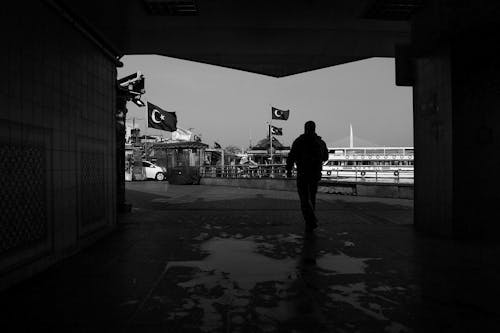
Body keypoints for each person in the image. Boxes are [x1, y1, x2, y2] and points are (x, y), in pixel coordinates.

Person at [286, 121, 328, 232]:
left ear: (305, 128)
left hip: (303, 173)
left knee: (304, 198)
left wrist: (289, 170)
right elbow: (325, 157)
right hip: (315, 174)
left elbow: (291, 156)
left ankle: (310, 220)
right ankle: (310, 220)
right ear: (314, 128)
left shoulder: (299, 141)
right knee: (312, 197)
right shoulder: (320, 142)